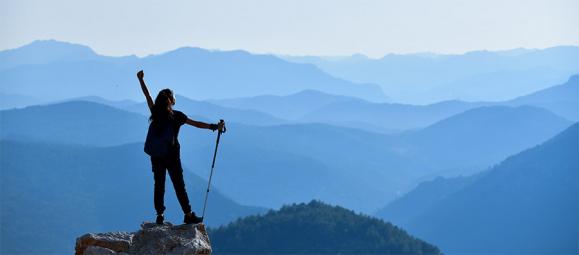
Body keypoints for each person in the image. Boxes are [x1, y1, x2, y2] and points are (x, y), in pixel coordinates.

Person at [137, 70, 224, 225]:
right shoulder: (177, 116)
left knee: (159, 184)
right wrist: (214, 127)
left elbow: (147, 96)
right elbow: (197, 124)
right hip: (172, 155)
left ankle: (160, 215)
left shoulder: (156, 112)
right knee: (179, 185)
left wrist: (141, 79)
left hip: (157, 155)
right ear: (171, 100)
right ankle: (188, 214)